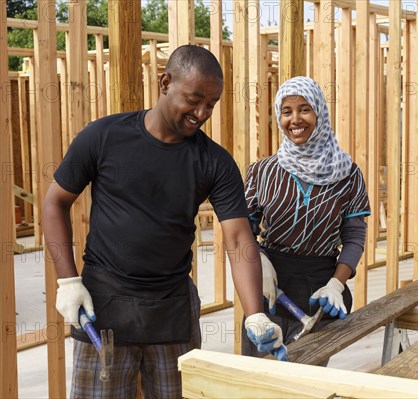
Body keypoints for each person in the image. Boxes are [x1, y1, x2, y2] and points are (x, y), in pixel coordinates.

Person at [43, 45, 285, 399]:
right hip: (104, 308)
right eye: (194, 99)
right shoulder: (104, 137)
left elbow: (237, 239)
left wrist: (255, 314)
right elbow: (54, 203)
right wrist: (67, 280)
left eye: (211, 104)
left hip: (172, 312)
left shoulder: (214, 162)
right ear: (165, 82)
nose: (201, 113)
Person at [241, 76, 370, 361]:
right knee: (256, 381)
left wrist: (337, 283)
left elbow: (354, 236)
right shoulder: (262, 172)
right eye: (286, 111)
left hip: (318, 291)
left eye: (304, 109)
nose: (295, 119)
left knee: (305, 384)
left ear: (320, 113)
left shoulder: (348, 174)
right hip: (268, 287)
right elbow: (242, 231)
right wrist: (257, 260)